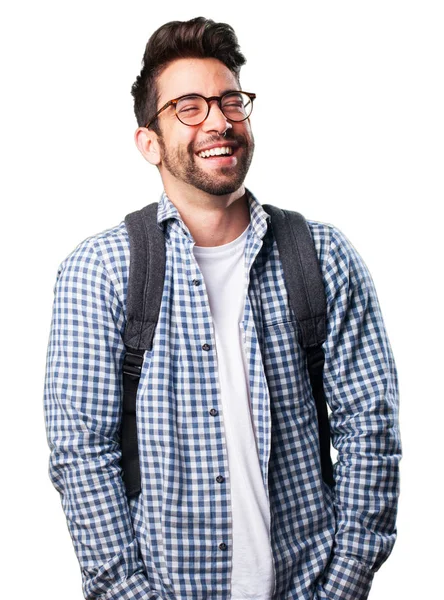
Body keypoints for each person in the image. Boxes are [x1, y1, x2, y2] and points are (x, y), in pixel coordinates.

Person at [43, 16, 401, 600]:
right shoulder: (101, 271)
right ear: (149, 142)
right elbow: (82, 455)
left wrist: (344, 583)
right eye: (189, 106)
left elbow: (370, 428)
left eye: (230, 100)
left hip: (308, 585)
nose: (218, 120)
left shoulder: (322, 256)